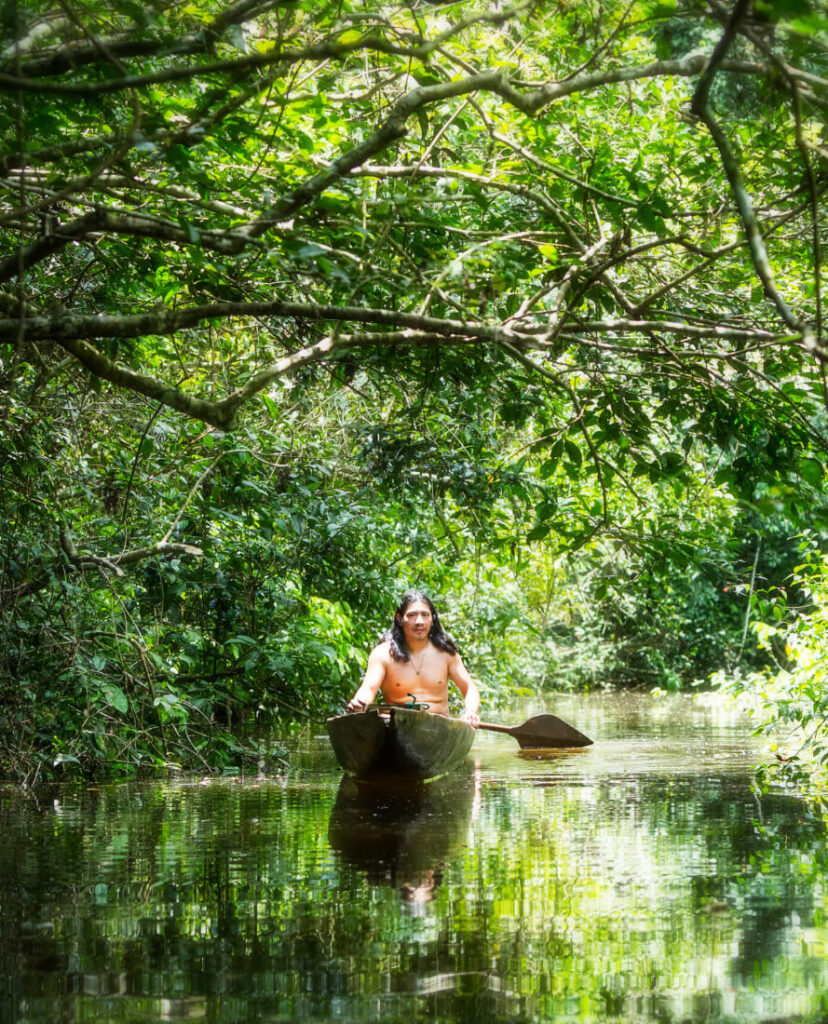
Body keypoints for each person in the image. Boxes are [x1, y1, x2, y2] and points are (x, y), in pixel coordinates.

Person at [347, 591, 480, 726]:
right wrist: (359, 702)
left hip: (439, 727)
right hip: (397, 727)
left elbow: (470, 689)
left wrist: (471, 712)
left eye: (425, 615)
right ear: (399, 619)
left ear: (432, 619)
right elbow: (368, 690)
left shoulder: (447, 654)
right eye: (411, 615)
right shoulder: (383, 654)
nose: (419, 621)